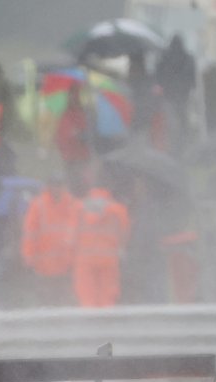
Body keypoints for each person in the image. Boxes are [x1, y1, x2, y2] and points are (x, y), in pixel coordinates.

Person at [71, 179, 131, 307]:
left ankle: (89, 314)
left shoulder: (78, 207)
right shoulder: (118, 209)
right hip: (109, 258)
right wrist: (121, 248)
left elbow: (72, 234)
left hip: (85, 259)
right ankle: (107, 315)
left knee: (86, 295)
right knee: (108, 295)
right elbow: (124, 233)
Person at [22, 174, 80, 304]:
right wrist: (29, 259)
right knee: (47, 302)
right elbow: (30, 235)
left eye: (60, 185)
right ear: (49, 186)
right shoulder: (38, 205)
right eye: (54, 185)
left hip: (67, 265)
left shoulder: (74, 204)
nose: (57, 188)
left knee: (65, 301)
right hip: (44, 267)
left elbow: (79, 233)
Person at [55, 83, 92, 194]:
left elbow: (89, 132)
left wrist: (83, 135)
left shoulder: (84, 113)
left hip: (81, 155)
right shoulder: (66, 115)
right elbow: (61, 136)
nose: (73, 98)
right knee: (73, 181)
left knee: (81, 182)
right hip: (71, 156)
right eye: (71, 95)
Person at [155, 35, 196, 126]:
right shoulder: (188, 58)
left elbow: (159, 75)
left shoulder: (165, 57)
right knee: (182, 115)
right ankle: (183, 131)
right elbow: (193, 77)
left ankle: (172, 131)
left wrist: (161, 85)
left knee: (169, 117)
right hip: (184, 93)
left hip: (168, 93)